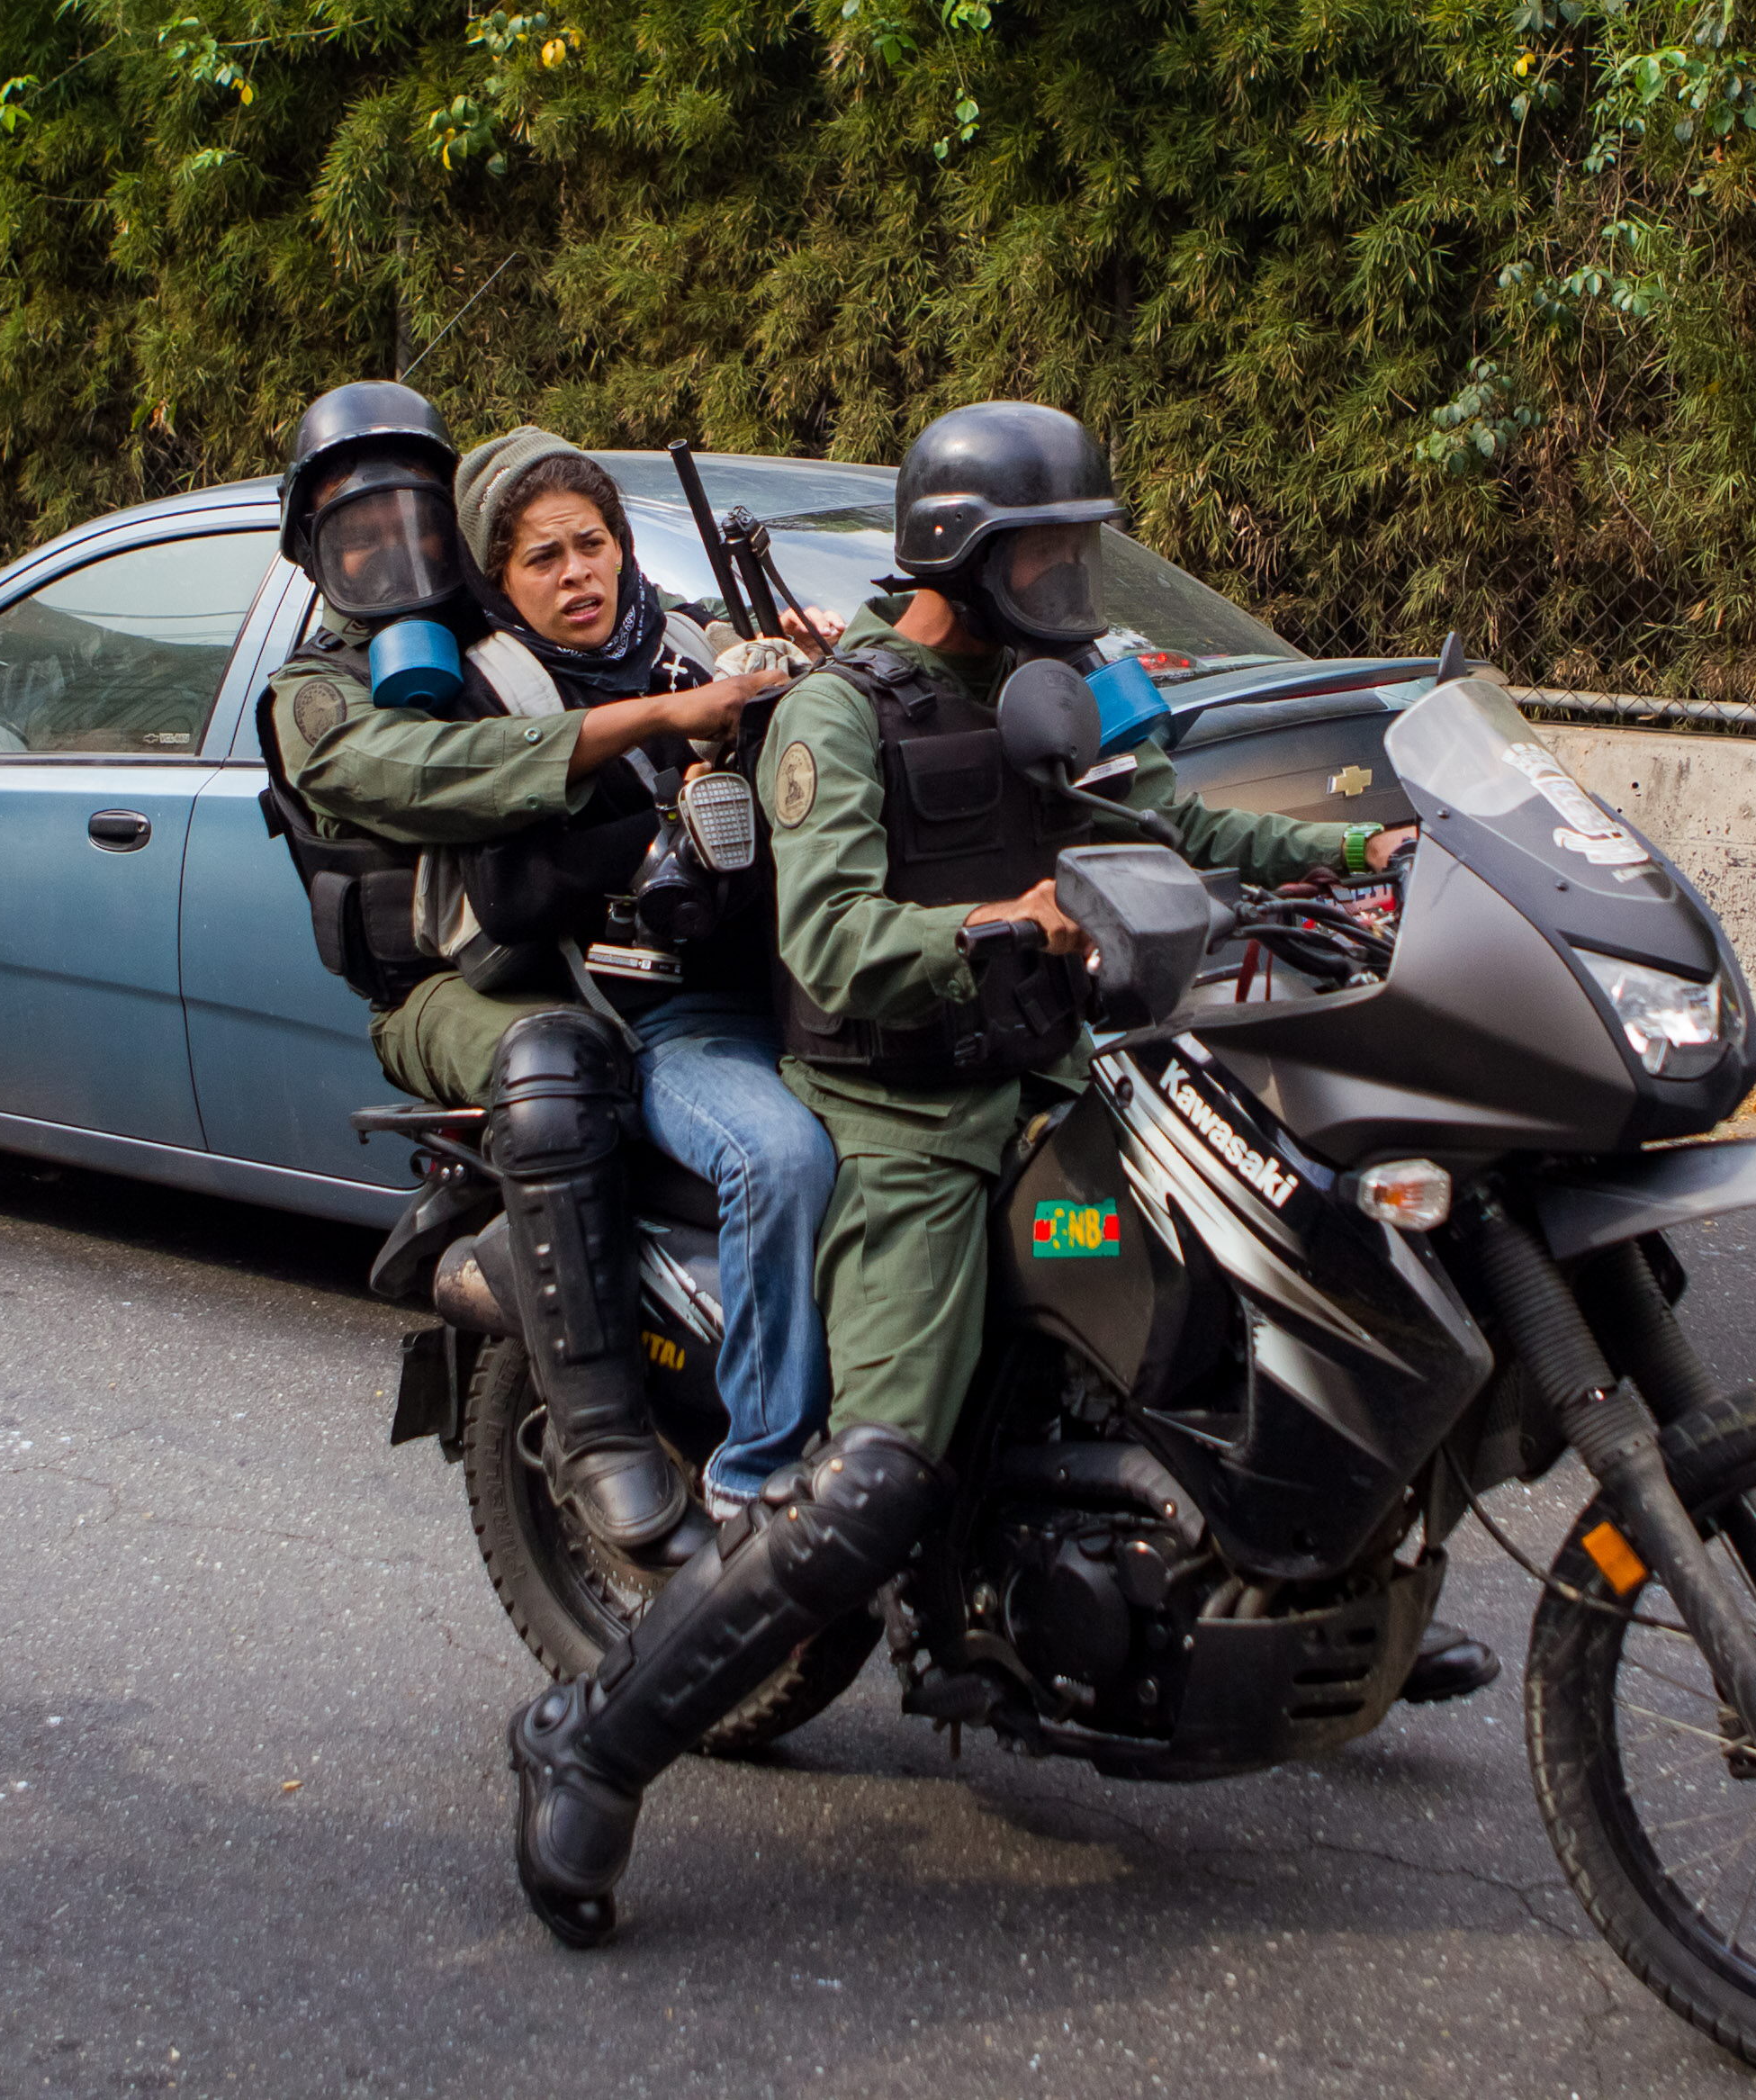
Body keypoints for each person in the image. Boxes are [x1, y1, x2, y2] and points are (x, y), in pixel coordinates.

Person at [504, 401, 1490, 1947]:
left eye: (1078, 541)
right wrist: (999, 930)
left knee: (1280, 1234)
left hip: (1051, 1066)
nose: (1074, 572)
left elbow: (1153, 813)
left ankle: (1302, 1569)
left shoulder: (1032, 689)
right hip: (907, 1118)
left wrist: (1355, 862)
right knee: (871, 1482)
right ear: (966, 551)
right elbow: (827, 943)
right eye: (1049, 547)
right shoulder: (840, 715)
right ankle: (596, 1738)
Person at [263, 398, 830, 1566]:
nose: (389, 547)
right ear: (312, 545)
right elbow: (428, 774)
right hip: (443, 986)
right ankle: (604, 1433)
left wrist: (799, 651)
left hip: (599, 965)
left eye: (408, 514)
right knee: (558, 1062)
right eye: (354, 527)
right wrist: (662, 721)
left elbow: (707, 656)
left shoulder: (588, 635)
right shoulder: (324, 686)